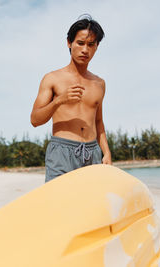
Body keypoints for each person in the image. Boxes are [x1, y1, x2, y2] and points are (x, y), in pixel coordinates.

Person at [30, 14, 112, 183]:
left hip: (92, 152)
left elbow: (98, 122)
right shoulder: (52, 78)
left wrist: (107, 152)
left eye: (91, 45)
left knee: (90, 207)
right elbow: (35, 120)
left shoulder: (99, 84)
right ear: (69, 43)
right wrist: (59, 100)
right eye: (80, 43)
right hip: (62, 152)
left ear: (97, 47)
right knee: (58, 205)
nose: (85, 50)